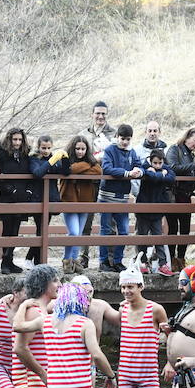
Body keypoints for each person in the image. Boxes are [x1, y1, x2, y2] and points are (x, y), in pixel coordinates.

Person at [15, 282, 117, 388]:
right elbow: (96, 355)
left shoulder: (45, 321)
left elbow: (17, 326)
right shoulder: (85, 324)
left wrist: (23, 305)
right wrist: (111, 376)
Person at [12, 264, 61, 388]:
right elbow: (19, 348)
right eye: (55, 281)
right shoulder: (33, 311)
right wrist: (42, 374)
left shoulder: (42, 309)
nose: (60, 284)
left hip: (38, 378)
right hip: (31, 379)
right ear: (43, 285)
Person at [116, 261, 168, 388]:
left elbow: (171, 336)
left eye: (130, 287)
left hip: (148, 376)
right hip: (125, 374)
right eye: (123, 287)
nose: (126, 291)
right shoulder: (122, 310)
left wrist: (170, 363)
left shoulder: (155, 310)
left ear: (141, 287)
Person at [98, 124, 143, 272]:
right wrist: (127, 173)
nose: (125, 142)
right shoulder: (110, 150)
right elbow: (107, 168)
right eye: (122, 138)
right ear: (117, 137)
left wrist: (138, 171)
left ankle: (118, 261)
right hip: (107, 196)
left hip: (123, 198)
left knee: (124, 231)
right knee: (105, 230)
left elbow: (139, 166)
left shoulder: (132, 152)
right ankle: (103, 261)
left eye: (128, 139)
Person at [78, 101, 116, 268]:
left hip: (108, 182)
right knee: (85, 220)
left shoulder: (114, 134)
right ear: (92, 114)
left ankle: (109, 258)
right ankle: (82, 257)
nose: (100, 116)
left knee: (110, 222)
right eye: (97, 113)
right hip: (88, 182)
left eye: (103, 113)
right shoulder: (83, 134)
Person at [58, 135, 102, 274]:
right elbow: (69, 169)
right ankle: (67, 260)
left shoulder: (91, 162)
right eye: (78, 148)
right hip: (69, 201)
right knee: (74, 232)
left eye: (83, 149)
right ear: (73, 148)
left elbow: (98, 170)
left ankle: (74, 260)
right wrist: (87, 165)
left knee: (80, 234)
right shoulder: (66, 159)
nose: (80, 152)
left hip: (85, 201)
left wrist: (81, 167)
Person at [26, 135, 68, 268]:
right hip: (38, 198)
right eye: (43, 148)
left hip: (50, 198)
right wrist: (51, 161)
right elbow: (38, 173)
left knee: (43, 230)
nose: (46, 151)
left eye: (49, 148)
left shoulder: (54, 158)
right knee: (41, 229)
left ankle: (33, 259)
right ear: (38, 147)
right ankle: (34, 260)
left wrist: (65, 158)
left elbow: (66, 172)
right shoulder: (34, 159)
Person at [0, 127, 33, 275]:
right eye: (14, 139)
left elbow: (30, 174)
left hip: (22, 197)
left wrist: (28, 192)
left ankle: (10, 261)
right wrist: (11, 190)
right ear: (9, 139)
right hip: (7, 196)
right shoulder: (2, 154)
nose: (17, 142)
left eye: (20, 140)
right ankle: (5, 262)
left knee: (15, 230)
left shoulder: (25, 154)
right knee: (7, 230)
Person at [165, 128, 195, 271]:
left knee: (185, 228)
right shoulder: (174, 149)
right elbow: (173, 167)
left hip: (186, 194)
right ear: (187, 138)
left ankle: (181, 257)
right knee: (173, 228)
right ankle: (171, 259)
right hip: (174, 194)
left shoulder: (191, 154)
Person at [135, 148, 175, 276]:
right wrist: (162, 175)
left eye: (160, 163)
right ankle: (142, 262)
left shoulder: (165, 168)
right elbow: (151, 177)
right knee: (142, 237)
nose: (158, 166)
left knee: (158, 237)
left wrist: (161, 174)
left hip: (157, 210)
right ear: (150, 161)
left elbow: (172, 178)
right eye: (155, 163)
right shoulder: (144, 167)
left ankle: (163, 264)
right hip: (143, 209)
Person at [68, 274, 120, 340]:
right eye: (83, 292)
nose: (88, 296)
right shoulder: (62, 308)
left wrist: (128, 306)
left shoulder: (100, 305)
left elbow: (120, 320)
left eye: (90, 292)